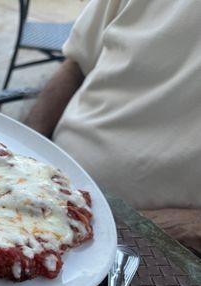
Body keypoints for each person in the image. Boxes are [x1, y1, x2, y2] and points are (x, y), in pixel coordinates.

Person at [23, 0, 201, 254]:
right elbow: (77, 63)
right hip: (47, 184)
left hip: (158, 243)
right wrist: (25, 151)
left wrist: (142, 227)